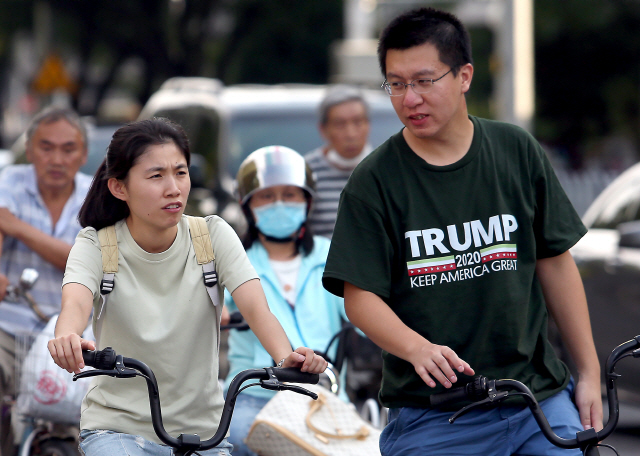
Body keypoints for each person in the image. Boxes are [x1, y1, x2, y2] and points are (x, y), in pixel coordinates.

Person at [321, 7, 602, 456]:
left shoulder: (516, 150)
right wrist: (416, 348)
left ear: (465, 76)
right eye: (396, 84)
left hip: (536, 401)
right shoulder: (374, 180)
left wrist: (587, 374)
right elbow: (359, 296)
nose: (409, 98)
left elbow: (555, 262)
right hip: (434, 415)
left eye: (424, 80)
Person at [47, 119, 327, 456]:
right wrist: (68, 338)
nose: (173, 188)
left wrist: (287, 357)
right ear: (119, 187)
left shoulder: (212, 235)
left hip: (204, 433)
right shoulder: (95, 244)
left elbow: (255, 308)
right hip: (117, 430)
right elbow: (74, 305)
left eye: (180, 173)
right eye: (156, 176)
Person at [222, 145, 349, 456]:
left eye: (290, 195)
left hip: (324, 392)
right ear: (247, 205)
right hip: (255, 394)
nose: (279, 204)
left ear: (307, 202)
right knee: (236, 442)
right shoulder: (233, 260)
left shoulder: (332, 254)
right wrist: (217, 312)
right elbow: (207, 303)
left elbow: (367, 313)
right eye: (267, 196)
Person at [0, 106, 90, 455]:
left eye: (68, 149)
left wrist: (18, 227)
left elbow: (82, 260)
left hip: (70, 334)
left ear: (82, 154)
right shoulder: (10, 180)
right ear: (30, 149)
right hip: (9, 327)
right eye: (46, 147)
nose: (57, 158)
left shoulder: (97, 194)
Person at [305, 85, 372, 238]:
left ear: (368, 125)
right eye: (340, 124)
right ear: (323, 129)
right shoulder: (307, 172)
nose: (351, 134)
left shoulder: (387, 167)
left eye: (358, 122)